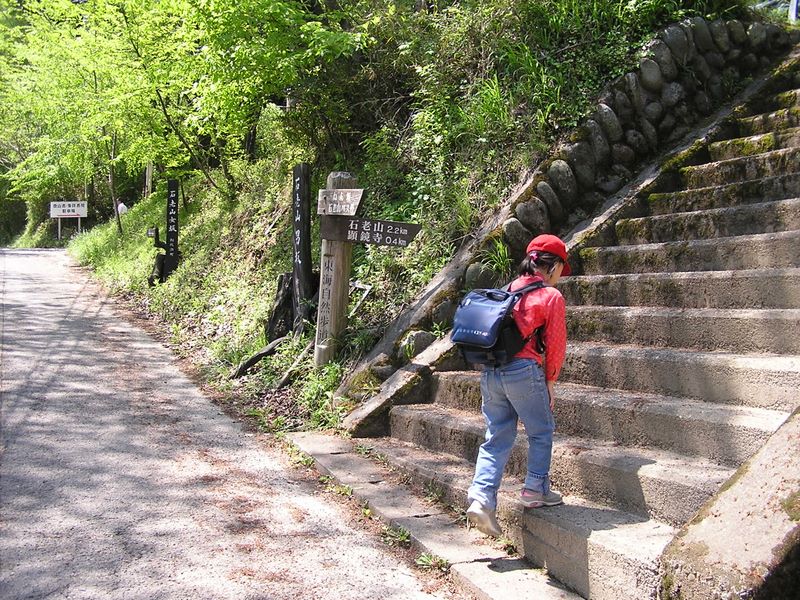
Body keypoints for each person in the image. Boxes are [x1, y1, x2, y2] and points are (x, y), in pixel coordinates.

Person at [466, 233, 570, 537]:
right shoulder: (551, 297)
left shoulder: (506, 290)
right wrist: (550, 381)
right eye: (562, 269)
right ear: (552, 266)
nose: (561, 277)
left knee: (496, 436)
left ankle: (481, 498)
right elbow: (556, 344)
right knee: (541, 430)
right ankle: (535, 488)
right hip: (524, 371)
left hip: (492, 371)